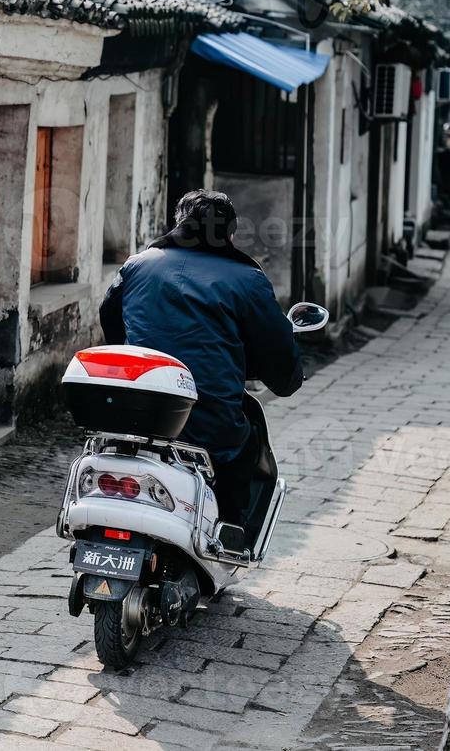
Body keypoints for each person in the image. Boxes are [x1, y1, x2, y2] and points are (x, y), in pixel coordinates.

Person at [98, 189, 304, 528]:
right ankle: (228, 536)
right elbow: (277, 351)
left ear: (179, 225)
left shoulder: (137, 265)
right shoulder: (247, 280)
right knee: (244, 450)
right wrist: (288, 379)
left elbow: (111, 321)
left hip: (133, 413)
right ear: (230, 234)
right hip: (211, 423)